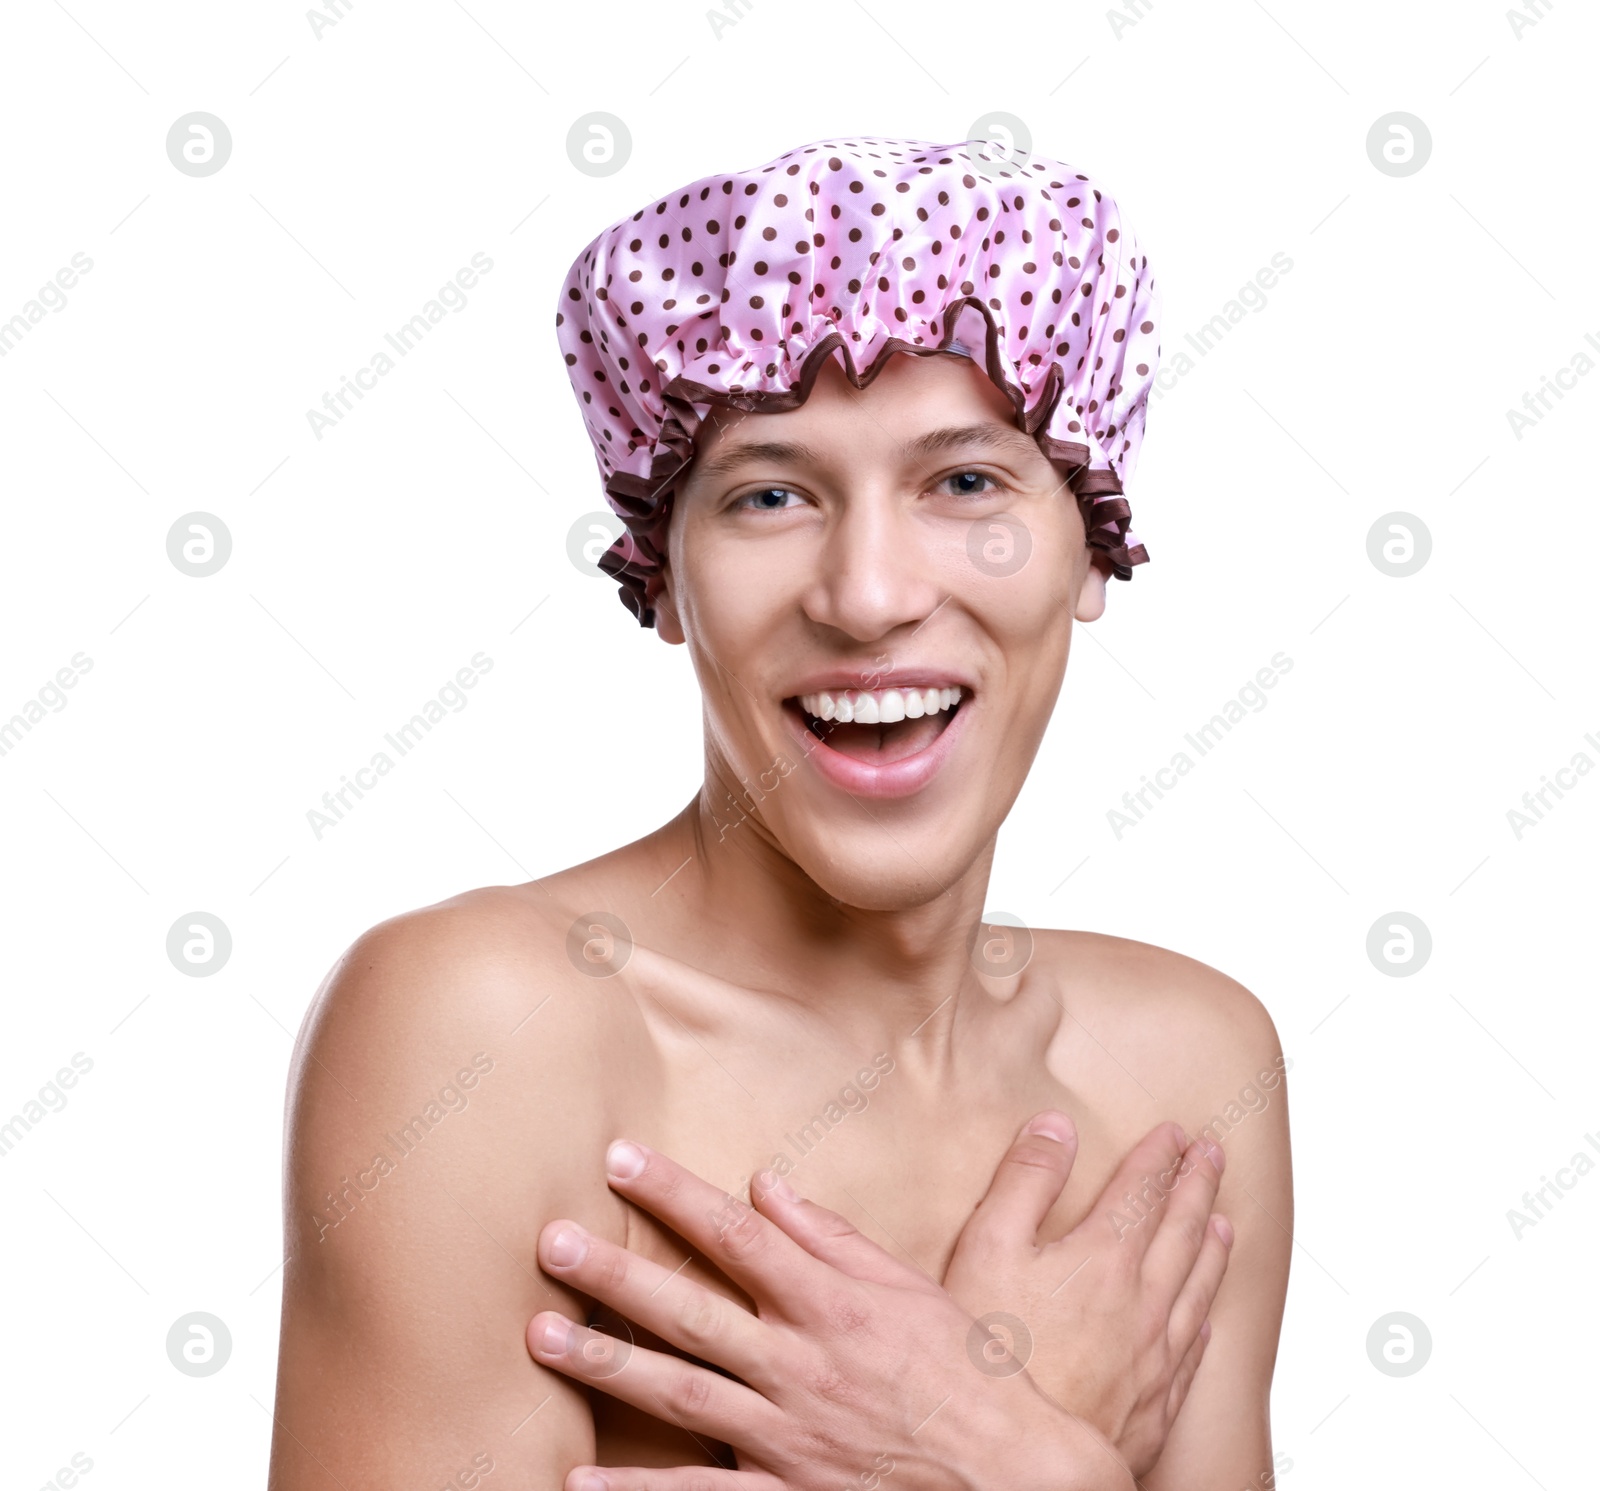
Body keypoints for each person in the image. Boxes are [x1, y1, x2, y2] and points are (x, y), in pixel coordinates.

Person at [267, 137, 1292, 1491]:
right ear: (665, 575)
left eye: (968, 482)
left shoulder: (1182, 1074)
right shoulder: (484, 1030)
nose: (867, 594)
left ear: (1092, 541)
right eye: (770, 493)